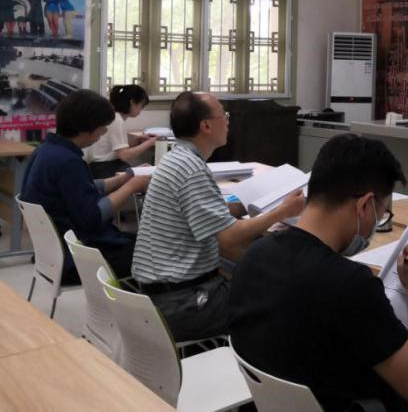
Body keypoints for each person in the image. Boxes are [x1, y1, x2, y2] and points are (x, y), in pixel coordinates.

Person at [229, 134, 408, 412]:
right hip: (344, 403)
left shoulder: (255, 254)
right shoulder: (349, 284)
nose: (377, 223)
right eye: (382, 214)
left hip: (276, 401)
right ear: (365, 205)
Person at [132, 91, 306, 342]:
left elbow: (208, 212)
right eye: (223, 115)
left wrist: (249, 204)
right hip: (182, 304)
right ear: (206, 126)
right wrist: (283, 211)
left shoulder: (177, 159)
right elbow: (229, 238)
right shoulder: (191, 170)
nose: (228, 121)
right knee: (280, 298)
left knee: (254, 275)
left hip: (162, 296)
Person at [19, 89, 151, 283]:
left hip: (56, 255)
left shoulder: (47, 150)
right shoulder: (68, 162)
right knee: (155, 252)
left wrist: (123, 179)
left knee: (142, 242)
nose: (103, 133)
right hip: (77, 259)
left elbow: (82, 189)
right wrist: (132, 187)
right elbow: (93, 217)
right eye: (102, 128)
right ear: (85, 129)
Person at [85, 85, 158, 178]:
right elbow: (124, 155)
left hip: (100, 166)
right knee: (145, 177)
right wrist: (149, 143)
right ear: (132, 102)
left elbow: (117, 148)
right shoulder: (116, 120)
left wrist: (138, 140)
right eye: (141, 105)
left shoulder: (114, 117)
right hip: (104, 168)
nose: (141, 110)